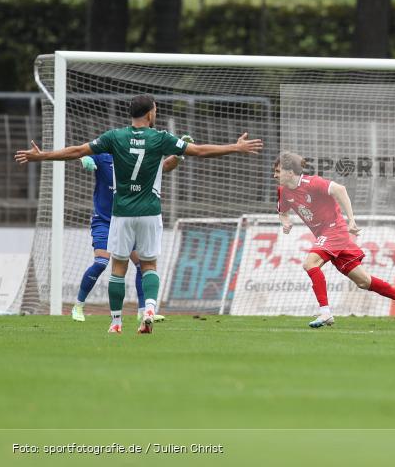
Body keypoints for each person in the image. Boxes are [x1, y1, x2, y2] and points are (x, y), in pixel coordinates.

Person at [16, 93, 262, 334]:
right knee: (149, 265)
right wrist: (235, 147)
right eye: (155, 109)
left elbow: (77, 151)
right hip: (149, 212)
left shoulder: (114, 137)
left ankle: (115, 323)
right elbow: (199, 151)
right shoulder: (160, 138)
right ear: (149, 113)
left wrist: (42, 156)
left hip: (121, 213)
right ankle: (149, 310)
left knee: (118, 268)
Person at [274, 152, 395, 328]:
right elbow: (282, 212)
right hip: (327, 236)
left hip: (334, 230)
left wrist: (351, 219)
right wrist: (286, 223)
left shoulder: (312, 183)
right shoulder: (283, 191)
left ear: (290, 172)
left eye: (277, 171)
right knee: (363, 281)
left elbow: (340, 190)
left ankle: (325, 312)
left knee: (310, 264)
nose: (274, 175)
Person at [71, 148, 188, 323]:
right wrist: (85, 160)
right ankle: (78, 305)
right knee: (102, 262)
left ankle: (143, 311)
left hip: (127, 221)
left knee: (142, 264)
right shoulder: (104, 159)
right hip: (104, 221)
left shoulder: (135, 161)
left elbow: (162, 167)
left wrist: (178, 154)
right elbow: (83, 154)